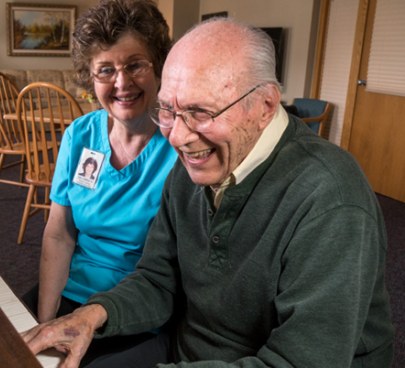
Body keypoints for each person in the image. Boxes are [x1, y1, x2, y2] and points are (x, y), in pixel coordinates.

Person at [21, 18, 395, 368]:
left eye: (200, 112)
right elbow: (156, 278)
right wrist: (91, 316)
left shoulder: (330, 198)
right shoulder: (193, 165)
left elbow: (298, 361)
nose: (178, 137)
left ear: (265, 106)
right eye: (167, 109)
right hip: (188, 352)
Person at [21, 0, 176, 364]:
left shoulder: (180, 146)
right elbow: (59, 234)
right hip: (72, 291)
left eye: (135, 64)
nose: (122, 83)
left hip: (140, 310)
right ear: (90, 78)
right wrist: (48, 319)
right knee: (0, 345)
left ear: (159, 67)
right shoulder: (80, 134)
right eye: (105, 70)